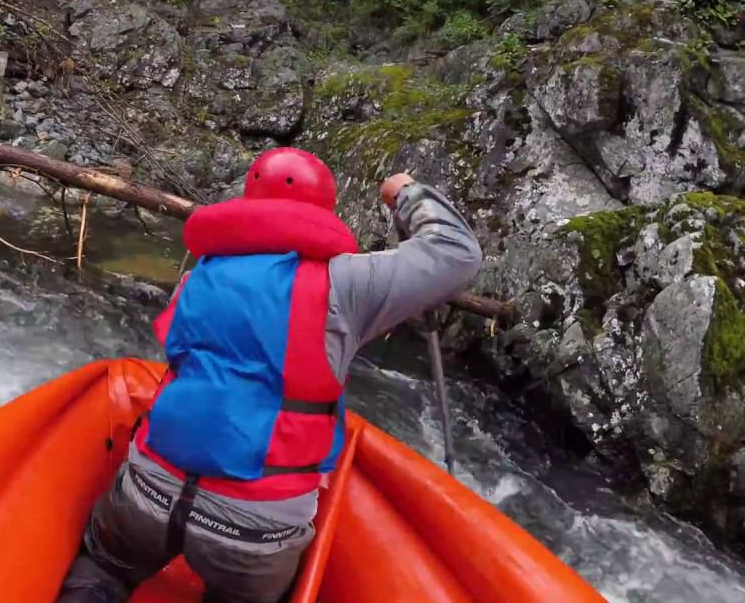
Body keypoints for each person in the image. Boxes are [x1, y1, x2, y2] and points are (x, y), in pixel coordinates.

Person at [57, 148, 482, 603]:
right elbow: (456, 252)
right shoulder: (350, 284)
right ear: (324, 208)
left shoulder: (199, 273)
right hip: (253, 531)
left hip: (147, 491)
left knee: (103, 568)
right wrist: (406, 194)